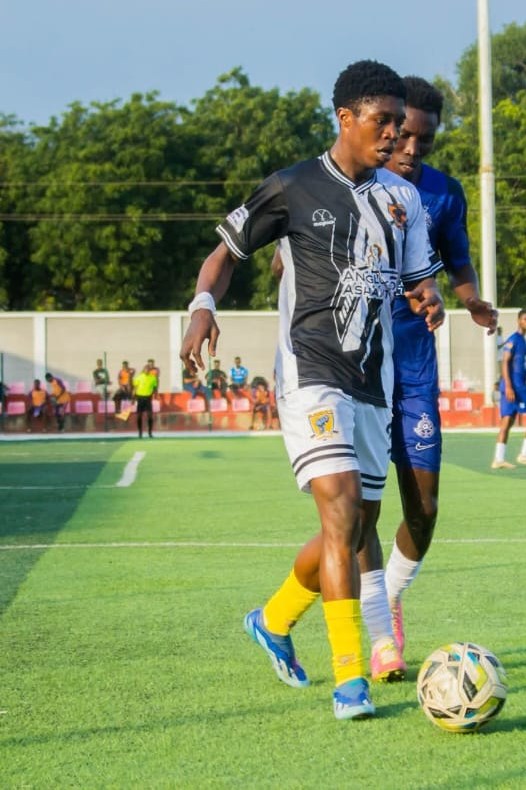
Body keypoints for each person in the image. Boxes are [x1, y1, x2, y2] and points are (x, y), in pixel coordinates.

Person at [178, 60, 442, 721]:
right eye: (381, 121)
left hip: (371, 386)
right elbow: (226, 252)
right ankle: (350, 678)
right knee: (344, 506)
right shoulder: (293, 187)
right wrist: (203, 303)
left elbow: (416, 280)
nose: (393, 134)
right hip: (309, 373)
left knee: (352, 528)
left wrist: (431, 298)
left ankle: (273, 618)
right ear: (344, 118)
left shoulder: (402, 200)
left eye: (397, 122)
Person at [357, 74, 497, 685]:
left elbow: (457, 259)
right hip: (355, 365)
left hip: (414, 365)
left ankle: (389, 595)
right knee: (357, 507)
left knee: (425, 505)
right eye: (404, 134)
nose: (412, 149)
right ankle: (375, 634)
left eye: (425, 140)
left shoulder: (443, 194)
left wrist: (472, 301)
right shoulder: (351, 187)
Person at [493, 309, 526, 469]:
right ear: (518, 321)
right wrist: (508, 386)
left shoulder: (523, 341)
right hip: (515, 386)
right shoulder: (514, 340)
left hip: (515, 386)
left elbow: (523, 366)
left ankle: (499, 459)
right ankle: (525, 454)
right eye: (525, 319)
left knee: (507, 421)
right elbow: (505, 363)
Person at [131, 361, 157, 438]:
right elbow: (135, 388)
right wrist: (133, 398)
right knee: (139, 416)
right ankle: (140, 432)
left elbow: (154, 388)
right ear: (143, 370)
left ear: (150, 370)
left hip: (148, 398)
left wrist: (155, 395)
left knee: (150, 416)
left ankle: (150, 432)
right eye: (145, 369)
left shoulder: (153, 378)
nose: (147, 370)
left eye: (148, 369)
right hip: (140, 398)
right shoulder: (138, 377)